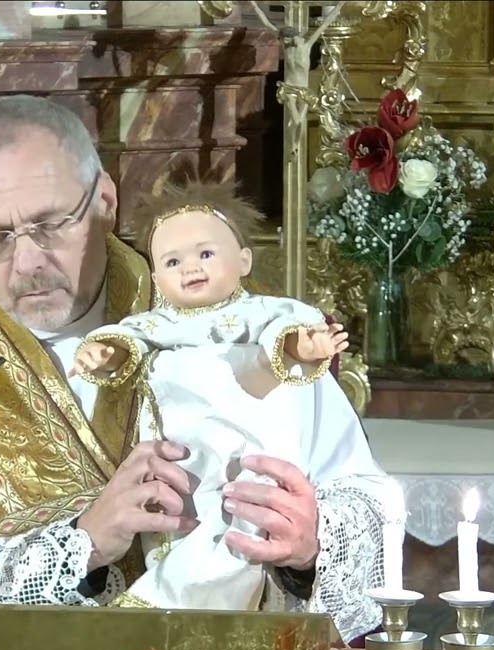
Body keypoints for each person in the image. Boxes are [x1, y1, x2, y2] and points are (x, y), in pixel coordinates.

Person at [0, 94, 391, 650]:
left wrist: (311, 545)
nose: (28, 262)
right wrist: (79, 545)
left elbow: (365, 505)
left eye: (49, 224)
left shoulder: (235, 322)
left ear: (104, 202)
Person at [69, 180, 374, 613]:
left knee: (242, 523)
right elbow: (127, 343)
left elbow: (283, 339)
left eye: (205, 254)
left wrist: (305, 348)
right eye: (173, 260)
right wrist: (103, 352)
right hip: (185, 455)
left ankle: (212, 596)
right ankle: (171, 598)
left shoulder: (262, 313)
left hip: (251, 447)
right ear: (156, 277)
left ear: (244, 259)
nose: (190, 267)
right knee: (187, 526)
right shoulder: (158, 325)